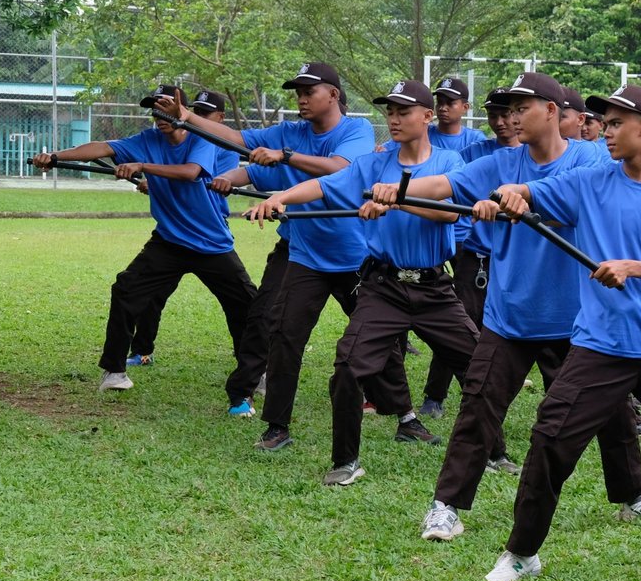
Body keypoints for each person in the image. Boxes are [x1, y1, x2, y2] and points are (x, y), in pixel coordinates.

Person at [367, 72, 641, 540]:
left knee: (612, 413)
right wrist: (399, 192)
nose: (511, 117)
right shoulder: (500, 163)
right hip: (510, 316)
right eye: (508, 109)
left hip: (578, 322)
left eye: (522, 107)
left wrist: (518, 203)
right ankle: (446, 506)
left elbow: (581, 200)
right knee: (478, 408)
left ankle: (635, 494)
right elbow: (447, 186)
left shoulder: (591, 159)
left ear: (551, 111)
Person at [474, 84, 641, 581]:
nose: (605, 132)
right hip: (598, 347)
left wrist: (633, 267)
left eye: (615, 124)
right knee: (550, 442)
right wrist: (511, 194)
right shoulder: (589, 181)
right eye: (602, 124)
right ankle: (522, 552)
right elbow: (530, 191)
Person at [162, 63, 411, 451]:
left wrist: (284, 156)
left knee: (376, 336)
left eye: (309, 91)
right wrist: (188, 116)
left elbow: (339, 170)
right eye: (298, 91)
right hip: (303, 254)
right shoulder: (289, 131)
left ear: (333, 94)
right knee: (282, 334)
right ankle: (277, 425)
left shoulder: (355, 130)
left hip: (354, 257)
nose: (301, 97)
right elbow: (236, 138)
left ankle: (405, 416)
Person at [246, 80, 475, 485]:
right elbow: (323, 185)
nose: (394, 119)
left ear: (426, 116)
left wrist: (395, 199)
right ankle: (345, 462)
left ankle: (491, 451)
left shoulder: (449, 163)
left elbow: (451, 214)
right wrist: (281, 197)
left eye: (404, 112)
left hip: (434, 287)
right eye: (391, 112)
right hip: (383, 285)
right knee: (349, 368)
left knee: (479, 367)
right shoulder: (373, 164)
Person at [33, 84, 265, 409]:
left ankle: (257, 372)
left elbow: (190, 172)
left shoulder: (202, 139)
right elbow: (102, 146)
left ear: (183, 111)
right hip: (169, 241)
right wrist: (56, 156)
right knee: (126, 289)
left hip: (211, 243)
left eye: (167, 109)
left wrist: (143, 168)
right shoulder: (146, 140)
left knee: (246, 305)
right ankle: (114, 371)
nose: (159, 116)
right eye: (155, 110)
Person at [417, 87, 520, 422]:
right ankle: (435, 395)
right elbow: (443, 183)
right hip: (477, 256)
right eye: (495, 116)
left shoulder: (538, 158)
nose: (502, 122)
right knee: (460, 324)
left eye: (508, 114)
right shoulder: (477, 153)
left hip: (522, 259)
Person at [125, 89, 241, 368]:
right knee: (152, 293)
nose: (192, 118)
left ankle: (249, 359)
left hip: (208, 232)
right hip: (175, 232)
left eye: (203, 114)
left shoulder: (222, 147)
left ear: (220, 118)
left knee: (238, 300)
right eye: (193, 111)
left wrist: (157, 179)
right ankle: (142, 351)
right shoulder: (182, 138)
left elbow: (199, 180)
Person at [430, 77, 488, 151]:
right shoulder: (424, 134)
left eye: (450, 103)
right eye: (439, 102)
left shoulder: (475, 140)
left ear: (465, 107)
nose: (442, 108)